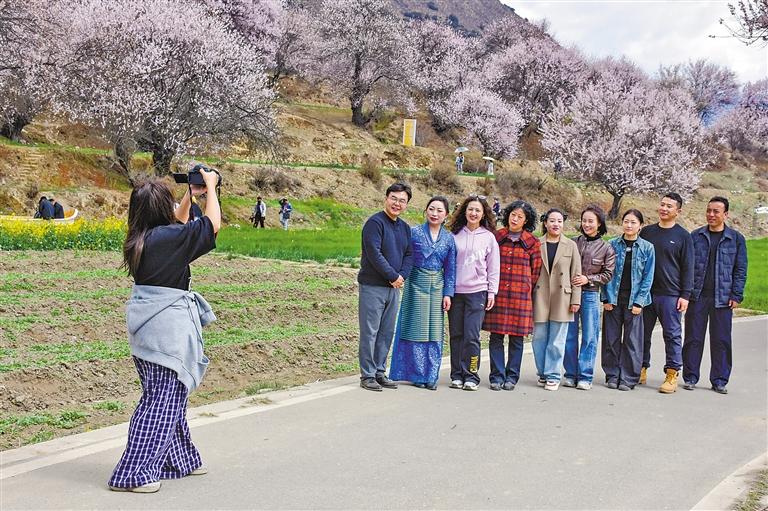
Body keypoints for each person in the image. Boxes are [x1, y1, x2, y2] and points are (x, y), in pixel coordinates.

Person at [108, 168, 221, 493]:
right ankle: (133, 474)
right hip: (165, 335)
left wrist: (189, 195)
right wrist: (211, 187)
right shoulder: (165, 240)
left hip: (149, 332)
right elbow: (212, 225)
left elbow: (178, 224)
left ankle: (178, 460)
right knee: (161, 402)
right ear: (161, 209)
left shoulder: (141, 239)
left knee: (170, 397)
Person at [389, 196, 456, 390]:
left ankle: (431, 375)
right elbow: (403, 257)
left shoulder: (449, 238)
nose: (435, 214)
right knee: (415, 330)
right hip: (415, 284)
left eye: (439, 211)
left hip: (437, 287)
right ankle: (416, 375)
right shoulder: (414, 232)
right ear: (425, 211)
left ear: (446, 215)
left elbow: (451, 269)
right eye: (431, 209)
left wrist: (448, 294)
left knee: (434, 332)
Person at [682, 196, 748, 395]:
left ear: (725, 214)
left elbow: (740, 269)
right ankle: (690, 377)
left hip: (723, 298)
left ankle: (719, 380)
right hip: (697, 296)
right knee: (693, 338)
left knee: (721, 340)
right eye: (708, 210)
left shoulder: (736, 239)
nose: (711, 214)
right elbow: (687, 266)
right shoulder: (696, 236)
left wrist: (736, 294)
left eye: (716, 211)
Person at [357, 182, 413, 392]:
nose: (397, 204)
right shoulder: (375, 223)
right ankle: (367, 375)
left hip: (394, 288)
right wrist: (392, 276)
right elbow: (374, 253)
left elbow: (409, 255)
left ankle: (380, 371)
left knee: (386, 332)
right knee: (370, 332)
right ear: (386, 198)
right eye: (394, 198)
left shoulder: (405, 228)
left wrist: (401, 277)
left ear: (406, 204)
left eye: (402, 201)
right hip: (373, 286)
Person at [481, 200, 542, 391]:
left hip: (520, 297)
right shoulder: (497, 237)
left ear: (526, 221)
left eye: (520, 217)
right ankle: (496, 376)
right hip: (498, 294)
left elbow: (535, 272)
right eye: (513, 215)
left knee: (517, 339)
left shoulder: (533, 243)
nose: (515, 219)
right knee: (496, 337)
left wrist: (523, 288)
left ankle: (512, 377)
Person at [639, 192, 694, 394]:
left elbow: (688, 267)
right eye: (662, 204)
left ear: (678, 211)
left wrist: (685, 295)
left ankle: (672, 373)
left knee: (672, 335)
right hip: (646, 293)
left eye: (669, 206)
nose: (664, 208)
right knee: (641, 333)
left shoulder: (683, 236)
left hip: (671, 294)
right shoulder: (647, 232)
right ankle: (640, 368)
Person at [447, 194, 499, 391]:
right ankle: (456, 375)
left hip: (478, 292)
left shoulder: (489, 237)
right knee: (456, 335)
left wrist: (492, 292)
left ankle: (471, 375)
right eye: (470, 209)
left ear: (483, 213)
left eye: (478, 210)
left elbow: (493, 268)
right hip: (456, 292)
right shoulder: (454, 235)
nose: (474, 213)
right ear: (464, 211)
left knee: (471, 335)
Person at [601, 209, 655, 391]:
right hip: (614, 299)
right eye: (626, 221)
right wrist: (606, 298)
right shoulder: (612, 245)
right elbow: (606, 272)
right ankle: (612, 374)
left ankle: (629, 377)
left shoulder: (647, 248)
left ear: (640, 225)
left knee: (633, 341)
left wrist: (640, 301)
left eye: (633, 222)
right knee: (611, 339)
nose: (629, 225)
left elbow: (648, 277)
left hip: (634, 302)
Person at [563, 205, 615, 390]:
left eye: (591, 221)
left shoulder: (606, 248)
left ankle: (585, 376)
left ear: (599, 223)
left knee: (589, 336)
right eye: (584, 220)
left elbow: (608, 274)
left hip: (591, 295)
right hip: (570, 295)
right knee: (569, 335)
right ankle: (570, 374)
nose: (586, 224)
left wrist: (588, 279)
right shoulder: (572, 243)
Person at [532, 208, 581, 391]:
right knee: (539, 337)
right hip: (540, 295)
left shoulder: (571, 245)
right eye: (552, 220)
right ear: (545, 223)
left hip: (563, 297)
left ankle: (553, 374)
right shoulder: (537, 244)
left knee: (557, 339)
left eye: (559, 221)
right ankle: (542, 373)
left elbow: (576, 274)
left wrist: (575, 299)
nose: (556, 224)